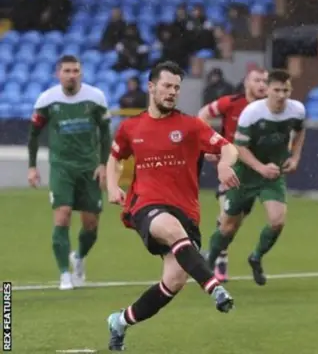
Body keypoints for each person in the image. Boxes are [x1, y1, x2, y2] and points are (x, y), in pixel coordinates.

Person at [105, 61, 239, 351]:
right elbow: (115, 157)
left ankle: (120, 321)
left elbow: (228, 147)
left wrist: (224, 165)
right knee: (168, 226)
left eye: (177, 87)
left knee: (174, 281)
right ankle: (215, 288)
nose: (172, 92)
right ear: (151, 87)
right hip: (146, 206)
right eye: (166, 85)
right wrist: (112, 186)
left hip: (186, 211)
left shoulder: (190, 126)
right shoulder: (131, 127)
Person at [207, 70, 306, 286]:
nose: (281, 95)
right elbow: (240, 147)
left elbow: (300, 132)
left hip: (272, 175)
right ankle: (208, 263)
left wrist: (295, 157)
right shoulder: (252, 113)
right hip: (245, 174)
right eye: (277, 90)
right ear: (269, 90)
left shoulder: (297, 110)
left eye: (285, 90)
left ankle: (256, 257)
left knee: (277, 221)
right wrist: (260, 168)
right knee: (227, 227)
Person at [27, 55, 111, 291]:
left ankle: (79, 257)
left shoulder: (96, 98)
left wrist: (104, 164)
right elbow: (33, 134)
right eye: (67, 70)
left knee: (91, 224)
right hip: (62, 167)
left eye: (75, 70)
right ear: (58, 74)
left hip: (90, 168)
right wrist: (32, 166)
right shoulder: (47, 99)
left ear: (81, 74)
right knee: (62, 215)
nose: (71, 74)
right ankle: (64, 274)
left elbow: (105, 134)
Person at [197, 68, 268, 282]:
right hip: (230, 167)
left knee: (234, 223)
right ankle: (220, 264)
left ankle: (213, 252)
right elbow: (203, 115)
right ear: (247, 82)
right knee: (226, 215)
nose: (262, 84)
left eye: (265, 80)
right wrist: (211, 144)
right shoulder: (231, 102)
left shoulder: (269, 109)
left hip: (254, 173)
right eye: (257, 80)